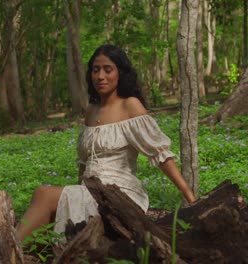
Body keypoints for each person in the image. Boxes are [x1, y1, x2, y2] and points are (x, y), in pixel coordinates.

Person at [16, 44, 196, 242]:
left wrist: (189, 196)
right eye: (95, 70)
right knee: (47, 203)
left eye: (107, 70)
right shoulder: (91, 111)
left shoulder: (130, 105)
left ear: (120, 73)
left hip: (118, 193)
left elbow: (160, 154)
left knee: (43, 194)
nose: (100, 76)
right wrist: (75, 195)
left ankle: (7, 253)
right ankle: (14, 251)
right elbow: (84, 163)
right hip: (89, 190)